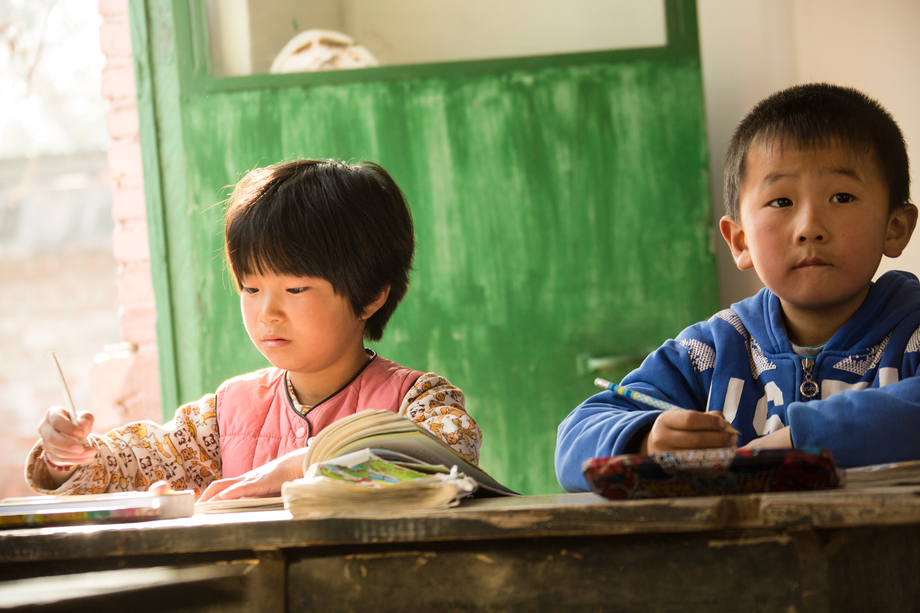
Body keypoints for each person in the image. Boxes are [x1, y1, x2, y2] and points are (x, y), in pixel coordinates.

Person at [26, 159, 482, 500]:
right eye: (250, 288)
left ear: (370, 295)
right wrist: (67, 456)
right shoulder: (222, 417)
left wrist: (300, 466)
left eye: (297, 288)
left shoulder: (419, 402)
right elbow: (129, 463)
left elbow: (445, 457)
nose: (268, 313)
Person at [555, 83, 920, 492]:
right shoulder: (709, 352)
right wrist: (645, 438)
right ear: (740, 241)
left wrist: (800, 438)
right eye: (781, 202)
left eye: (841, 196)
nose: (809, 228)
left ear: (895, 227)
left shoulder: (912, 333)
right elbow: (574, 440)